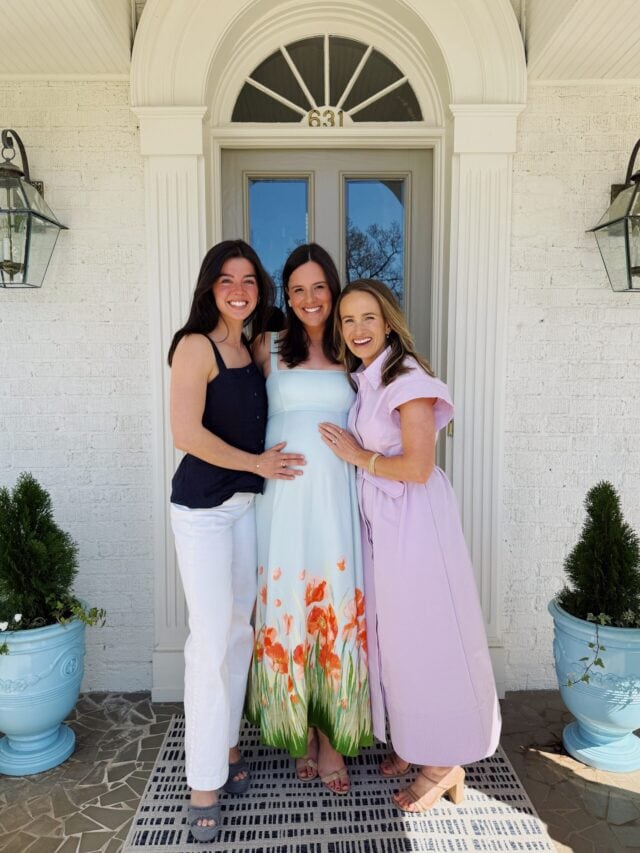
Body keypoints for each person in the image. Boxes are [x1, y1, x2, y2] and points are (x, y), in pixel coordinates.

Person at [319, 279, 501, 812]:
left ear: (389, 322)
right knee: (395, 641)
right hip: (387, 524)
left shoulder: (407, 380)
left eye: (368, 318)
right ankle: (416, 740)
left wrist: (357, 457)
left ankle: (443, 763)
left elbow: (418, 467)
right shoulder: (369, 379)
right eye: (348, 320)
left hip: (416, 525)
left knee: (427, 640)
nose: (357, 329)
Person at [168, 240, 305, 842]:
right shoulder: (194, 346)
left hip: (244, 507)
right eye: (227, 280)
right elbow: (185, 434)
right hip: (202, 511)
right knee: (207, 642)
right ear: (210, 286)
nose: (239, 290)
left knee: (238, 632)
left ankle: (225, 747)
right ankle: (202, 785)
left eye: (249, 280)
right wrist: (256, 464)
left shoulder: (251, 346)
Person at [247, 244, 372, 795]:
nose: (309, 299)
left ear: (334, 289)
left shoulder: (355, 348)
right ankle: (295, 727)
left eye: (319, 287)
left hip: (338, 498)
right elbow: (234, 408)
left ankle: (330, 736)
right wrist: (251, 461)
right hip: (281, 501)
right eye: (297, 289)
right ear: (287, 295)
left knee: (334, 603)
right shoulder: (267, 345)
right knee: (288, 601)